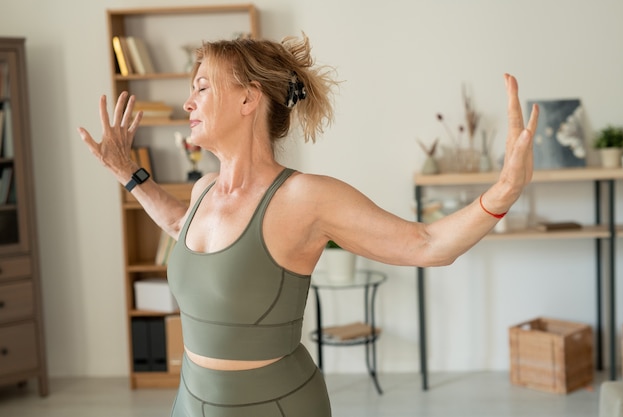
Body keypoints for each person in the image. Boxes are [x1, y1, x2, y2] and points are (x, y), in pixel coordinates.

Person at [78, 33, 538, 417]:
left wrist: (503, 194)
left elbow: (426, 244)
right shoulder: (203, 190)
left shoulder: (305, 198)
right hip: (190, 402)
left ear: (247, 97)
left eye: (201, 87)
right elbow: (182, 226)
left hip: (275, 405)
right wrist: (128, 173)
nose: (188, 101)